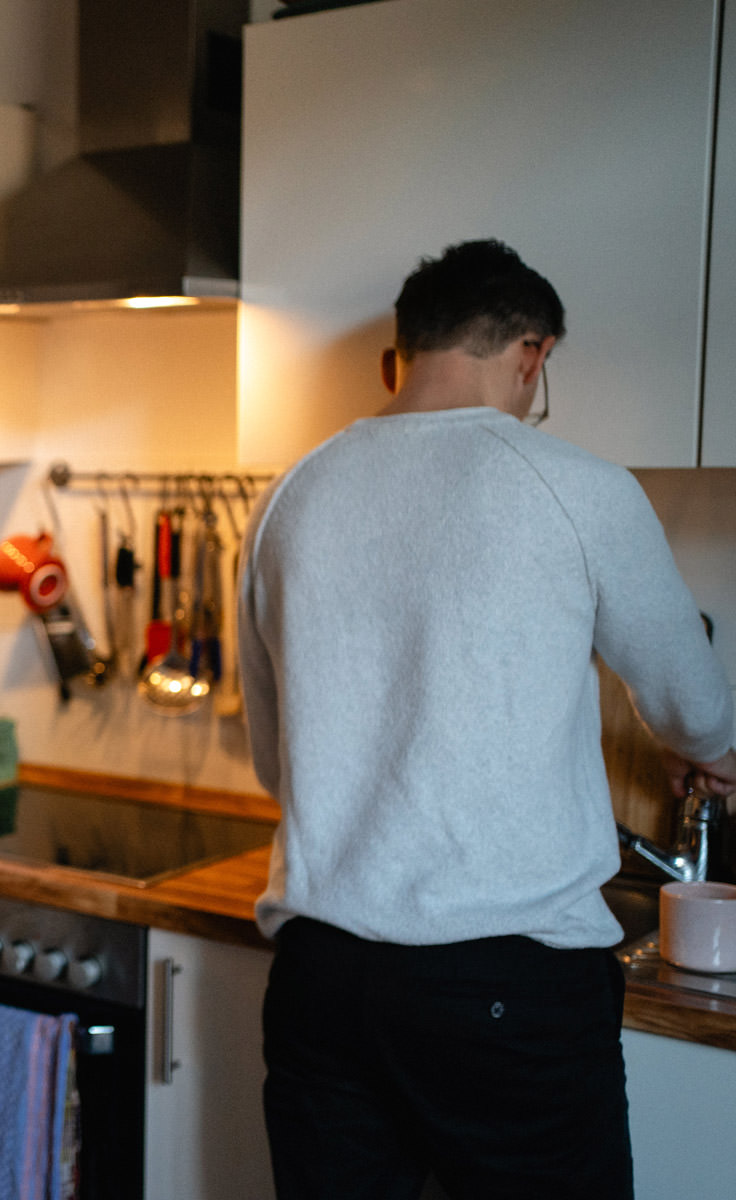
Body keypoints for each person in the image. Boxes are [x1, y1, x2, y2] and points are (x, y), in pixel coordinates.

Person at [237, 238, 736, 1200]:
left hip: (323, 982)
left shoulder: (288, 498)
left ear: (401, 356)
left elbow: (277, 762)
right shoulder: (580, 487)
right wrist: (705, 751)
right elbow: (692, 698)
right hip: (510, 991)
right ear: (531, 354)